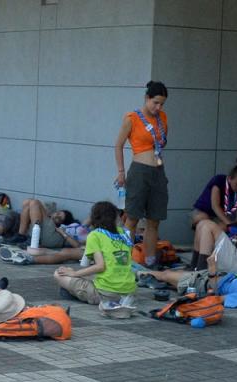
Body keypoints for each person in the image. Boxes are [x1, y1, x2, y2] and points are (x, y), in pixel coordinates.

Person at [114, 80, 169, 269]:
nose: (158, 107)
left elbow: (162, 142)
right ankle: (123, 262)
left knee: (154, 219)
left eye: (161, 103)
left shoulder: (162, 118)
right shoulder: (132, 118)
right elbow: (119, 145)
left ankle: (150, 260)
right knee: (132, 218)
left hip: (158, 170)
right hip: (139, 170)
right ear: (147, 98)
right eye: (155, 102)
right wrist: (121, 172)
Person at [55, 201, 137, 318]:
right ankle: (121, 301)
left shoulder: (95, 235)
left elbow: (100, 266)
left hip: (105, 293)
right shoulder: (124, 233)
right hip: (129, 290)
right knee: (85, 275)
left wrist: (75, 273)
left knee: (59, 274)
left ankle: (103, 302)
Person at [188, 158, 237, 268]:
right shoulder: (219, 181)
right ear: (229, 179)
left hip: (222, 218)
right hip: (205, 214)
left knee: (222, 227)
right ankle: (198, 262)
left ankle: (211, 256)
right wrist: (229, 223)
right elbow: (215, 205)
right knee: (203, 222)